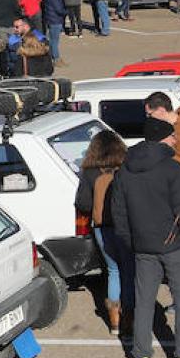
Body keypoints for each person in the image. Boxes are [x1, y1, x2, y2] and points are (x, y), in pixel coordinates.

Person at [113, 117, 180, 358]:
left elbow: (119, 215)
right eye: (173, 136)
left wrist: (132, 243)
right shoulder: (172, 169)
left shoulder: (124, 170)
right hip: (176, 247)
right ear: (163, 138)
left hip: (143, 248)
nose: (176, 139)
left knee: (144, 301)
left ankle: (141, 355)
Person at [75, 130, 132, 333]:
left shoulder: (90, 171)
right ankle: (129, 317)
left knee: (113, 271)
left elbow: (82, 202)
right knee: (128, 270)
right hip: (125, 226)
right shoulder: (126, 166)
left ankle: (114, 321)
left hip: (102, 228)